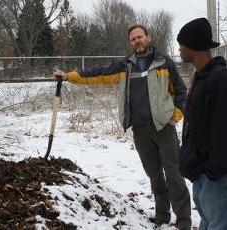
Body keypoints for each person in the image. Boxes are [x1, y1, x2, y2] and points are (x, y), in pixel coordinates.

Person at [54, 24, 191, 230]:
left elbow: (181, 91)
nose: (137, 41)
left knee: (174, 175)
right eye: (133, 39)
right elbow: (97, 73)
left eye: (140, 37)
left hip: (164, 128)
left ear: (148, 37)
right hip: (140, 130)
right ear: (131, 43)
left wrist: (177, 113)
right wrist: (69, 77)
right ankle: (162, 217)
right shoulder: (125, 66)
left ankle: (184, 222)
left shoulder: (164, 63)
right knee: (154, 175)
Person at [177, 18, 227, 230]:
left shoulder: (220, 79)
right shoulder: (201, 77)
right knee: (207, 224)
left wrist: (213, 170)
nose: (179, 49)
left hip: (215, 177)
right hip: (201, 173)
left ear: (192, 46)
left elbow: (223, 129)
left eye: (181, 44)